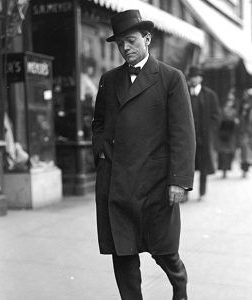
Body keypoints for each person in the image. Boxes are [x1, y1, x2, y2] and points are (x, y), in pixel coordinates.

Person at [92, 9, 196, 300]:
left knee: (164, 251)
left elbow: (183, 134)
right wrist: (101, 151)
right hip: (117, 181)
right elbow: (98, 122)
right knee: (123, 253)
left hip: (155, 182)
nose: (126, 48)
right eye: (120, 43)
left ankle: (180, 287)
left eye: (132, 41)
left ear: (147, 39)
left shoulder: (171, 78)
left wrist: (179, 180)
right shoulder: (109, 80)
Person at [186, 66, 221, 200]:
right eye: (191, 77)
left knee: (204, 166)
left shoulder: (209, 95)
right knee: (187, 165)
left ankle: (202, 192)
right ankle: (186, 194)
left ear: (200, 78)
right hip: (188, 137)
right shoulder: (184, 92)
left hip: (204, 137)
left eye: (195, 77)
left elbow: (216, 116)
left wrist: (210, 131)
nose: (193, 80)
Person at [217, 91, 239, 178]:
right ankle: (224, 170)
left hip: (229, 135)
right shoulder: (222, 110)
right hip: (224, 134)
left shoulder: (232, 111)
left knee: (227, 153)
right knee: (223, 153)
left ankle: (225, 170)